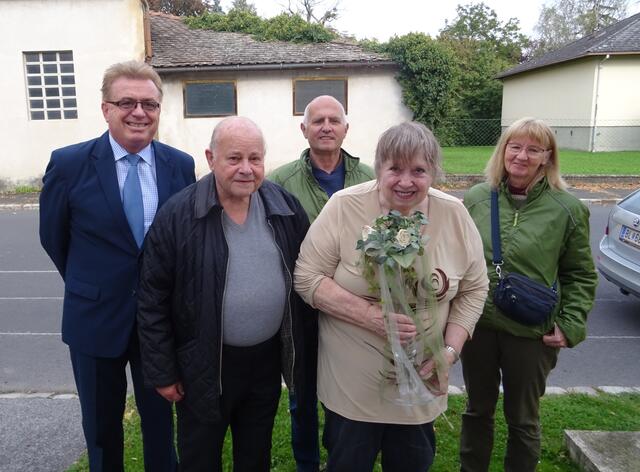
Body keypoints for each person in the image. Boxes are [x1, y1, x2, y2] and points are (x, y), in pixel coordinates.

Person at [294, 121, 489, 471]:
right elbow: (307, 277)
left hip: (420, 384)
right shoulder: (345, 206)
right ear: (378, 166)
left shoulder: (453, 214)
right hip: (352, 387)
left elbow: (475, 288)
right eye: (395, 169)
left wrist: (448, 352)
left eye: (419, 171)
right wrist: (370, 317)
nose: (406, 181)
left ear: (433, 172)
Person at [39, 60, 195, 471]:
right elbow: (54, 239)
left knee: (162, 429)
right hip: (94, 319)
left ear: (160, 110)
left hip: (159, 324)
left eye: (149, 104)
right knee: (102, 432)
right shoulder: (69, 164)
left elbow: (183, 242)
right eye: (126, 102)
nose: (139, 112)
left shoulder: (179, 166)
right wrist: (92, 283)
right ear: (106, 108)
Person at [136, 117, 313, 471]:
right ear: (210, 158)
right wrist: (163, 371)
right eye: (234, 159)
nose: (246, 169)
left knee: (255, 455)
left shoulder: (285, 207)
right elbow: (151, 297)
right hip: (203, 364)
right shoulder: (178, 215)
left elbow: (306, 277)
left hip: (263, 364)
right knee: (200, 457)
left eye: (255, 158)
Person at [460, 117, 598, 471]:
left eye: (533, 149)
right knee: (477, 409)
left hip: (531, 333)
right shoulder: (477, 198)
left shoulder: (567, 209)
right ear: (503, 151)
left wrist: (570, 324)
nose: (521, 156)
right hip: (478, 326)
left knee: (523, 418)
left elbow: (580, 274)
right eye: (515, 146)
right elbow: (458, 256)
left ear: (547, 157)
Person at [268, 94, 374, 472]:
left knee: (343, 392)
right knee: (303, 393)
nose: (326, 127)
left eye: (334, 120)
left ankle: (340, 457)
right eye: (317, 121)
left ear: (346, 128)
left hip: (354, 309)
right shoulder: (278, 182)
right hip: (302, 307)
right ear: (304, 129)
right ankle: (307, 463)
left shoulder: (371, 179)